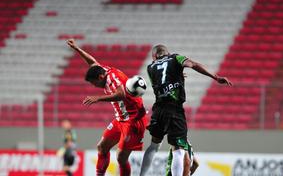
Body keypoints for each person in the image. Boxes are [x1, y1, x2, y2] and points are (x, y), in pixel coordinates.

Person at [139, 44, 232, 176]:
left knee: (154, 145)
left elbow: (162, 80)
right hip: (174, 109)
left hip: (158, 109)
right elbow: (192, 64)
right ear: (167, 52)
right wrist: (216, 77)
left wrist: (178, 75)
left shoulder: (150, 67)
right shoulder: (175, 58)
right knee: (179, 150)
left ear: (154, 56)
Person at [66, 39, 147, 176]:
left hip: (133, 120)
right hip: (120, 118)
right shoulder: (102, 71)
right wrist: (77, 49)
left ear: (101, 76)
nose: (94, 86)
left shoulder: (113, 79)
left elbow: (121, 94)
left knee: (121, 157)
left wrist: (98, 98)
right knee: (102, 147)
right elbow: (92, 62)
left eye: (94, 83)